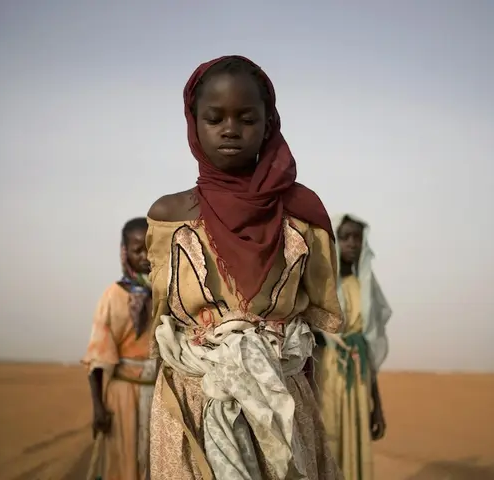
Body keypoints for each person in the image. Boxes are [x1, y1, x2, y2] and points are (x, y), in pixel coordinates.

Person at [145, 55, 345, 480]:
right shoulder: (169, 216)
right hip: (192, 401)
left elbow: (313, 324)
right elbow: (161, 313)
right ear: (193, 124)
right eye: (214, 118)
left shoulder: (302, 215)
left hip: (281, 403)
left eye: (246, 118)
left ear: (268, 124)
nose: (230, 129)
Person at [314, 213, 392, 480]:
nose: (351, 244)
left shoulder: (365, 287)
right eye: (345, 237)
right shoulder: (320, 286)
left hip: (359, 378)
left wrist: (377, 405)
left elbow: (368, 348)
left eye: (357, 238)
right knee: (329, 441)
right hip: (326, 376)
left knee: (356, 443)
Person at [82, 217, 156, 480]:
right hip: (123, 395)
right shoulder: (112, 296)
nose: (146, 256)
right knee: (125, 461)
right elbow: (98, 359)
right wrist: (98, 408)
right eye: (138, 250)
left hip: (160, 396)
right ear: (124, 252)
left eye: (150, 247)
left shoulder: (168, 293)